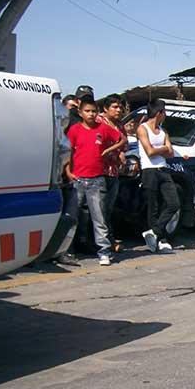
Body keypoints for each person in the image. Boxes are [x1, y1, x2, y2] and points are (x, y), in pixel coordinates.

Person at [66, 96, 125, 265]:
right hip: (78, 179)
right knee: (72, 217)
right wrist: (68, 171)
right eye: (87, 111)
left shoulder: (103, 129)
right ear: (80, 112)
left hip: (97, 180)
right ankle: (66, 250)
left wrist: (108, 150)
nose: (91, 114)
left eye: (93, 111)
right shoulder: (75, 130)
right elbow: (69, 152)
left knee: (99, 218)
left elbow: (121, 139)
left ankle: (104, 251)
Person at [137, 99, 180, 252]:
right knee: (153, 208)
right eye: (164, 112)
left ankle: (154, 232)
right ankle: (159, 240)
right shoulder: (142, 129)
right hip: (149, 171)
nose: (166, 115)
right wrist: (163, 148)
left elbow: (171, 153)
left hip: (163, 169)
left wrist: (160, 149)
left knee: (173, 203)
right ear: (159, 113)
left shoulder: (163, 131)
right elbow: (149, 151)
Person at [99, 95, 127, 252]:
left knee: (108, 209)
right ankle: (105, 241)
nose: (119, 110)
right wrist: (117, 150)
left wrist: (121, 152)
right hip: (98, 172)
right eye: (115, 107)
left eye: (120, 108)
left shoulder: (120, 125)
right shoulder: (98, 122)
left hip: (113, 172)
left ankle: (107, 240)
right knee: (98, 210)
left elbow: (125, 145)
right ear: (105, 108)